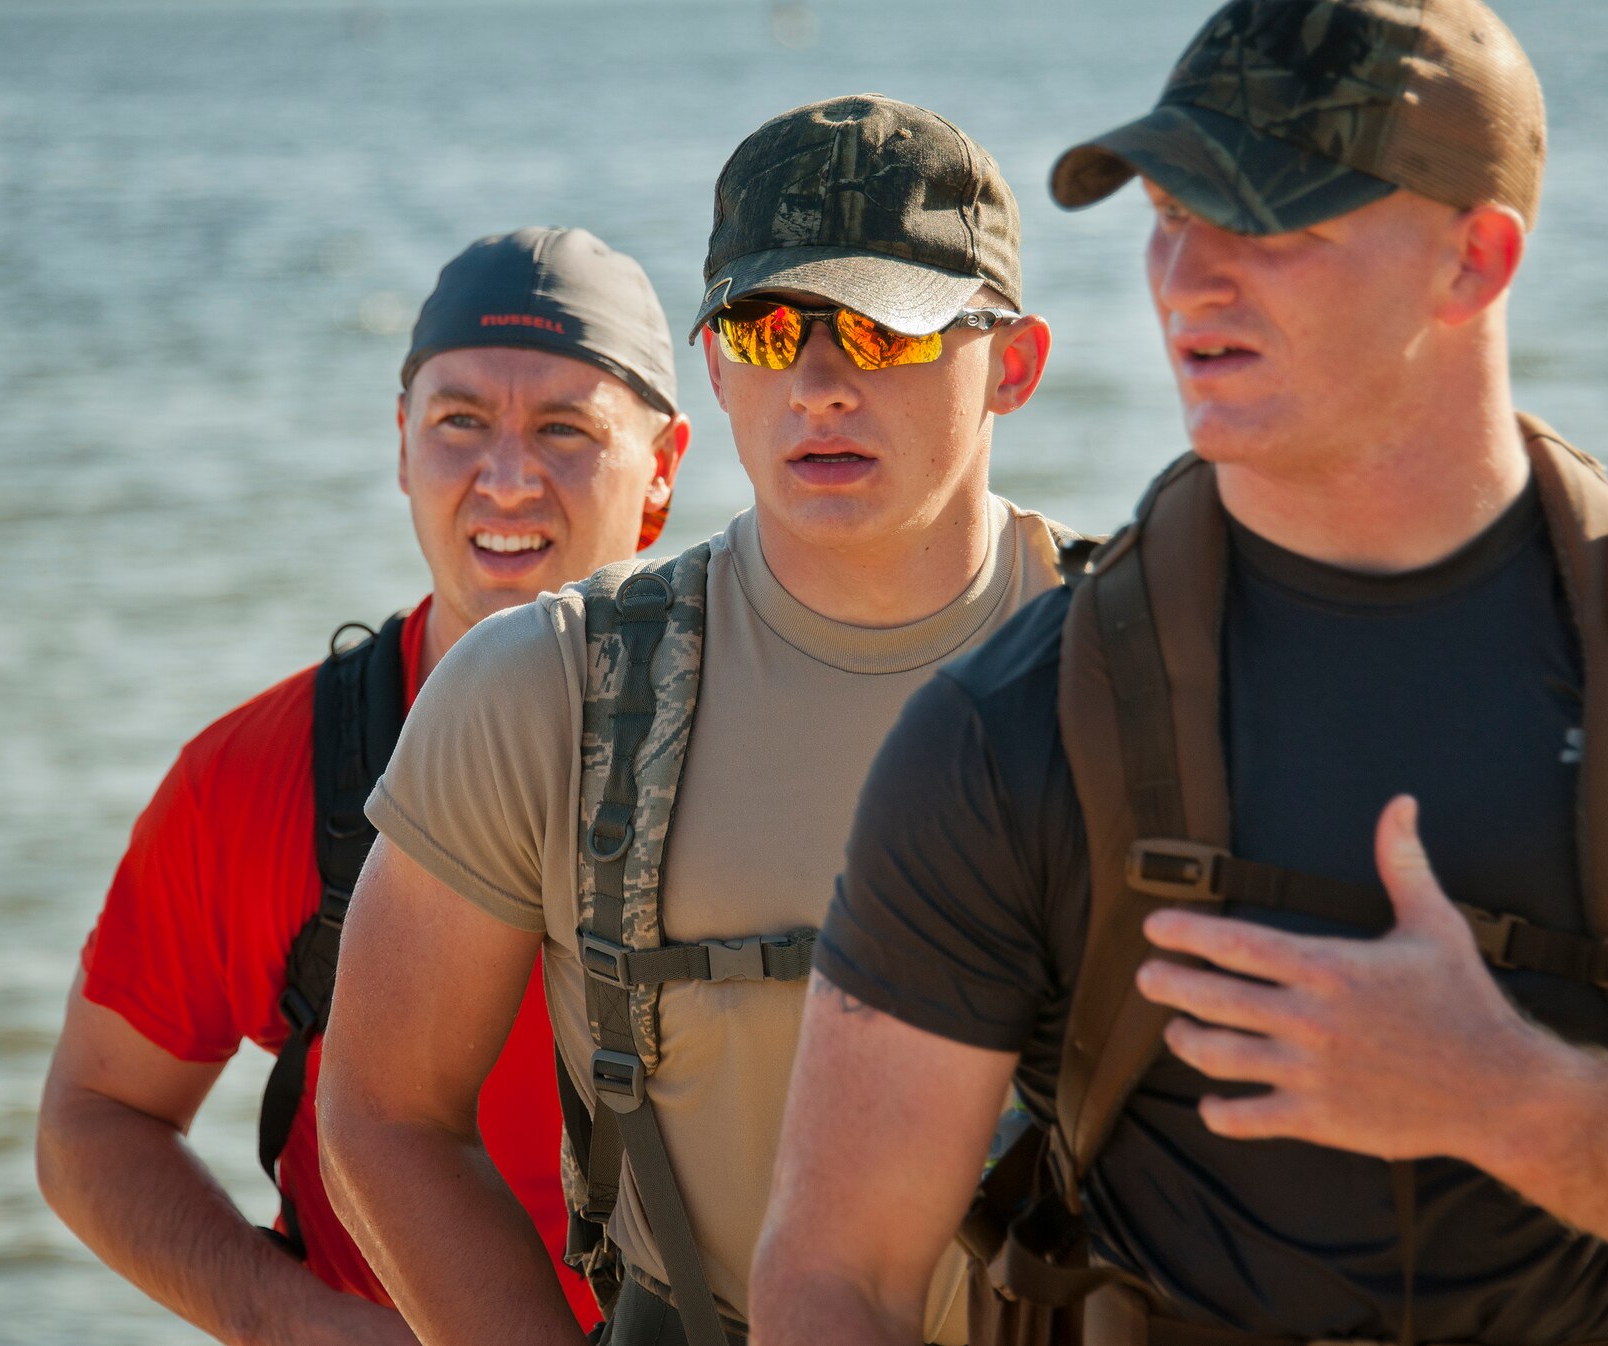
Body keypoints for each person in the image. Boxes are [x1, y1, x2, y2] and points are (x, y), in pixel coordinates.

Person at [750, 4, 1608, 1346]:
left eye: (1268, 217)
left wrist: (1516, 1101)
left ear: (1477, 258)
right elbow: (835, 1283)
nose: (1188, 275)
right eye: (1170, 209)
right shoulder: (1017, 728)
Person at [316, 94, 1067, 1346]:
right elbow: (384, 1116)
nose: (819, 386)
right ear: (715, 366)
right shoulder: (549, 690)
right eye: (770, 334)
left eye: (884, 334)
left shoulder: (1129, 676)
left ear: (1017, 363)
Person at [36, 226, 690, 1345]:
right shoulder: (254, 776)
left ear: (664, 467)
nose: (507, 476)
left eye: (565, 428)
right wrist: (284, 1313)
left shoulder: (765, 733)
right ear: (401, 445)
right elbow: (95, 1119)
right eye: (459, 422)